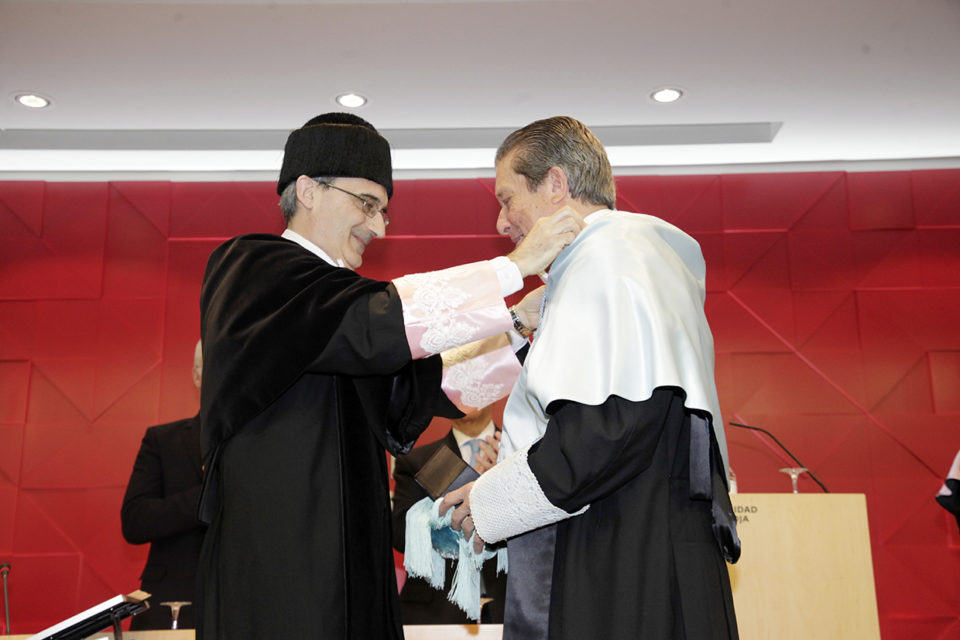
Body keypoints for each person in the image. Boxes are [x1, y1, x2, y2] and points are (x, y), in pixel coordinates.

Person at [195, 112, 581, 640]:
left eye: (383, 211)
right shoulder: (251, 269)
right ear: (307, 190)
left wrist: (517, 321)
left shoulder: (341, 309)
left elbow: (419, 389)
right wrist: (514, 266)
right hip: (280, 559)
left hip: (355, 561)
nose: (377, 227)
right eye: (367, 204)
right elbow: (371, 320)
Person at [440, 116, 741, 640]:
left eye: (508, 198)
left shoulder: (606, 258)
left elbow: (608, 427)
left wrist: (489, 502)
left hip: (625, 555)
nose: (502, 222)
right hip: (645, 535)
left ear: (555, 185)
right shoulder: (636, 256)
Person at [391, 402, 507, 624]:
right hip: (436, 611)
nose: (465, 396)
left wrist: (501, 485)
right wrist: (470, 491)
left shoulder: (519, 454)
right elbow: (400, 535)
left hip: (508, 602)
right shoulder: (418, 461)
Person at [121, 340, 205, 630]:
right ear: (196, 375)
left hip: (249, 601)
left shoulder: (262, 445)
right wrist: (207, 498)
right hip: (172, 606)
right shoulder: (162, 441)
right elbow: (135, 521)